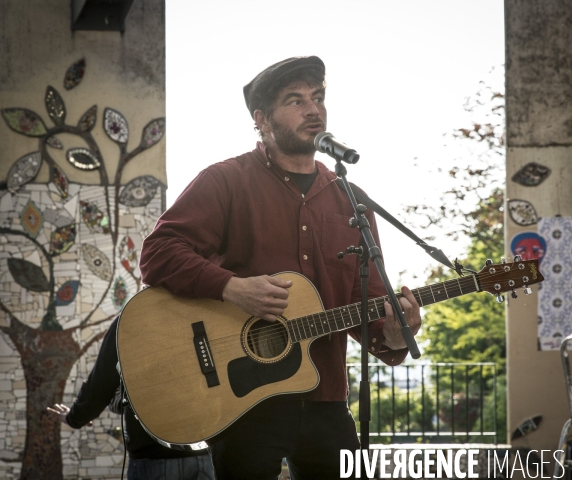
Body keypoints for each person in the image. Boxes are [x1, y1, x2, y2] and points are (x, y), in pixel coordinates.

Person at [138, 55, 422, 479]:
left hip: (327, 401)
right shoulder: (225, 181)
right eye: (295, 100)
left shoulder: (353, 200)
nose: (314, 110)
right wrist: (231, 287)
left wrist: (397, 334)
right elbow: (158, 253)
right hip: (245, 403)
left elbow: (370, 307)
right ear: (261, 119)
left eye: (318, 97)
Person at [47, 317, 215, 480]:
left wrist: (75, 418)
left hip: (154, 457)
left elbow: (100, 384)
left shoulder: (132, 317)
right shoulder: (202, 311)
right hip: (208, 453)